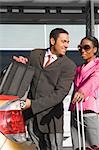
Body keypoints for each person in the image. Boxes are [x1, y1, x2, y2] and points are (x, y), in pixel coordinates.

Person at [13, 28, 76, 150]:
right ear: (52, 41)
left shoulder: (69, 66)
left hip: (51, 120)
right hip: (31, 117)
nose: (66, 45)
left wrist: (32, 104)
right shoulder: (35, 55)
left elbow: (60, 94)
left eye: (67, 42)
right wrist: (22, 64)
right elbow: (28, 75)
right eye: (63, 41)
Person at [69, 36, 99, 150]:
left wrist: (83, 91)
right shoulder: (78, 69)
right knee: (77, 147)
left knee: (94, 146)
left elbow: (95, 79)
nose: (82, 50)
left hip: (89, 111)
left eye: (86, 47)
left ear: (95, 49)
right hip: (75, 111)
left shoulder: (97, 65)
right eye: (80, 47)